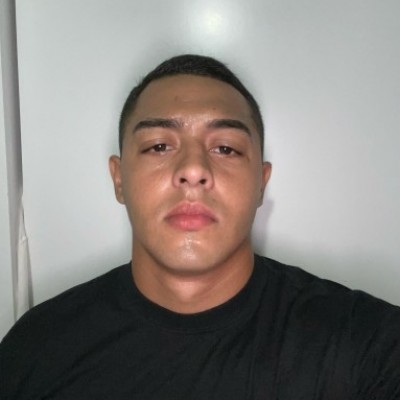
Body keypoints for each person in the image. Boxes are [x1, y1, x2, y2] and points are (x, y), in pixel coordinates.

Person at [1, 54, 399, 399]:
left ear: (261, 183)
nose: (193, 170)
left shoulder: (367, 345)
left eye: (225, 148)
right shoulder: (36, 349)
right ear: (118, 179)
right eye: (159, 146)